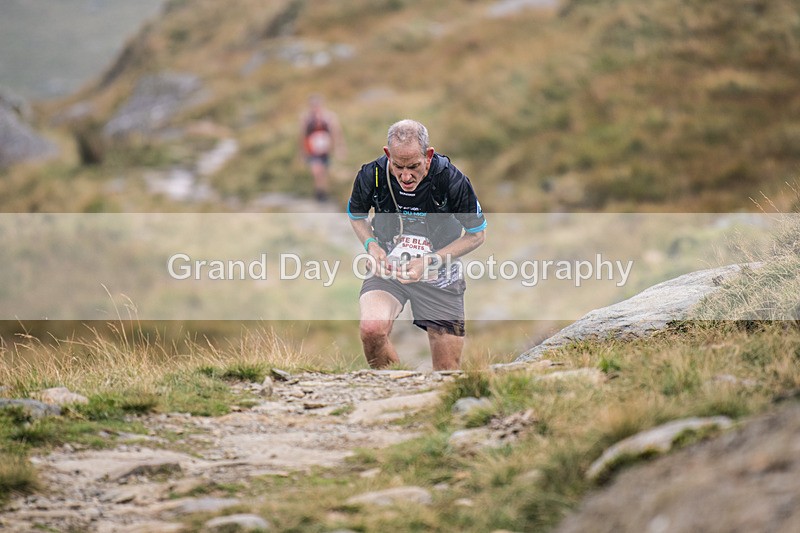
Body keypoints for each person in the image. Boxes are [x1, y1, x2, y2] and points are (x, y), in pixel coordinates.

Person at [347, 119, 487, 370]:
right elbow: (356, 216)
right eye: (398, 166)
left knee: (447, 371)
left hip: (440, 272)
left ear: (428, 155)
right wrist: (372, 245)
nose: (406, 176)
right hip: (389, 268)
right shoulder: (372, 174)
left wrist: (430, 261)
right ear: (387, 154)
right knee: (371, 330)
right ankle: (392, 388)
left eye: (413, 166)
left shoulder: (451, 180)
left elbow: (477, 234)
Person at [299, 95, 345, 202]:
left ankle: (323, 192)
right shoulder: (306, 118)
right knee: (316, 170)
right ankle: (319, 193)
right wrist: (302, 152)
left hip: (326, 149)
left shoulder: (329, 117)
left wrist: (339, 147)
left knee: (324, 172)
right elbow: (302, 136)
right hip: (313, 150)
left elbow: (337, 133)